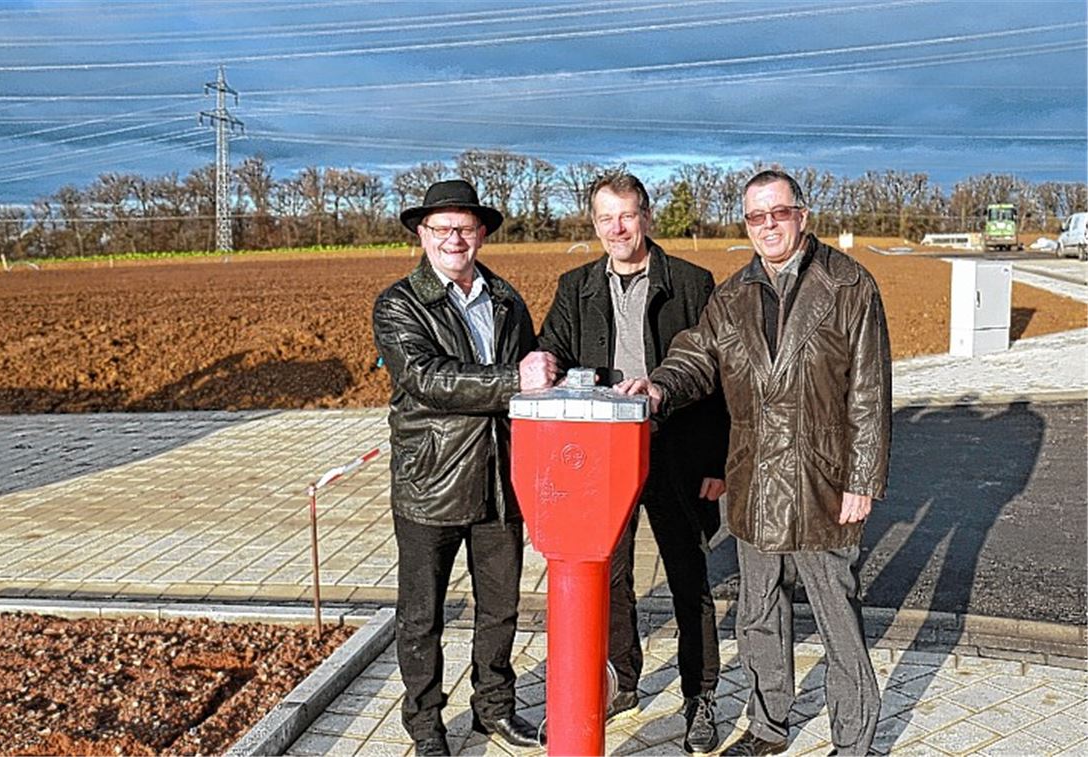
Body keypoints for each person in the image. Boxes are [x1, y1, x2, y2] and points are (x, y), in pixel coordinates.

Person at [618, 169, 892, 756]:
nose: (768, 226)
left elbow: (869, 391)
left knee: (837, 618)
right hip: (756, 477)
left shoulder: (849, 285)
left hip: (825, 477)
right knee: (760, 615)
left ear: (802, 214)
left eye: (779, 213)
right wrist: (660, 386)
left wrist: (863, 479)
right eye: (755, 217)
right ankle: (769, 727)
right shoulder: (732, 295)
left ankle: (855, 739)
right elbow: (697, 356)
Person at [538, 170, 730, 754]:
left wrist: (717, 463)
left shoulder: (693, 283)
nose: (617, 228)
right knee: (609, 574)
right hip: (601, 459)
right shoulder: (576, 288)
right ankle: (619, 680)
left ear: (646, 216)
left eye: (627, 215)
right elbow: (554, 346)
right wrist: (543, 359)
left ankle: (701, 698)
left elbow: (721, 379)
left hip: (675, 449)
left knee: (687, 575)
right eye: (605, 218)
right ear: (593, 224)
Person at [372, 179, 557, 756]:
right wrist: (513, 380)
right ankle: (425, 723)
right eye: (441, 228)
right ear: (421, 235)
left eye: (465, 227)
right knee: (421, 615)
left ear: (481, 234)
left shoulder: (506, 300)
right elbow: (426, 380)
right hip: (432, 481)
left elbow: (533, 374)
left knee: (500, 608)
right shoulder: (399, 304)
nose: (454, 238)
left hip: (502, 480)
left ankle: (494, 709)